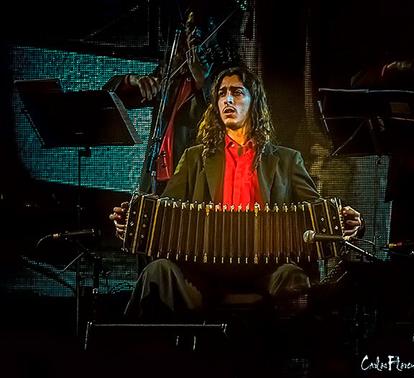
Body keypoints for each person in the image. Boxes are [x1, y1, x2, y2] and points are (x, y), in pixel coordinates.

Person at [110, 66, 363, 322]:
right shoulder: (194, 158)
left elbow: (317, 213)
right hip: (202, 274)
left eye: (237, 92)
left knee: (294, 278)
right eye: (221, 94)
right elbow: (165, 210)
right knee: (157, 272)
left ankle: (296, 359)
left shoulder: (287, 160)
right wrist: (135, 221)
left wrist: (348, 222)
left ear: (255, 103)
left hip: (268, 272)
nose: (227, 100)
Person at [104, 6, 242, 194]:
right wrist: (133, 80)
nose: (195, 33)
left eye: (202, 26)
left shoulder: (228, 78)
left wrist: (204, 82)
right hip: (156, 180)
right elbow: (112, 94)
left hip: (193, 185)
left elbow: (230, 127)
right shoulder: (171, 74)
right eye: (191, 26)